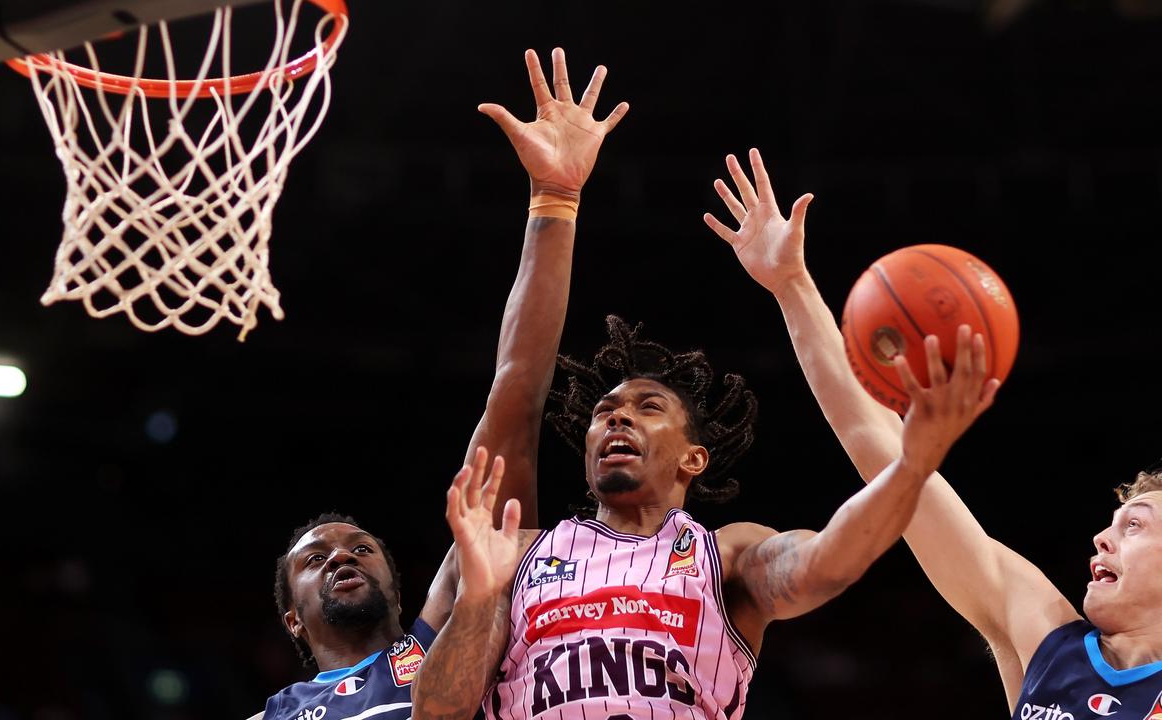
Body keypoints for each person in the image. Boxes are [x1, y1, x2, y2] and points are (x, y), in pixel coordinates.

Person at [0, 47, 630, 720]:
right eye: (315, 560)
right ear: (292, 616)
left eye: (359, 548)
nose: (343, 555)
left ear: (402, 583)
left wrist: (555, 201)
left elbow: (516, 392)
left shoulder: (444, 637)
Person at [412, 207, 999, 719]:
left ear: (694, 458)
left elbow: (829, 562)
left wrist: (913, 465)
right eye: (605, 411)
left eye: (647, 408)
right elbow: (437, 712)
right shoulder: (514, 553)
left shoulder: (729, 557)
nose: (617, 418)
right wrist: (479, 598)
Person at [706, 147, 1162, 718]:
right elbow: (880, 446)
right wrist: (792, 286)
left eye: (1136, 526)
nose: (1102, 538)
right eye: (1115, 523)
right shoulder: (1047, 637)